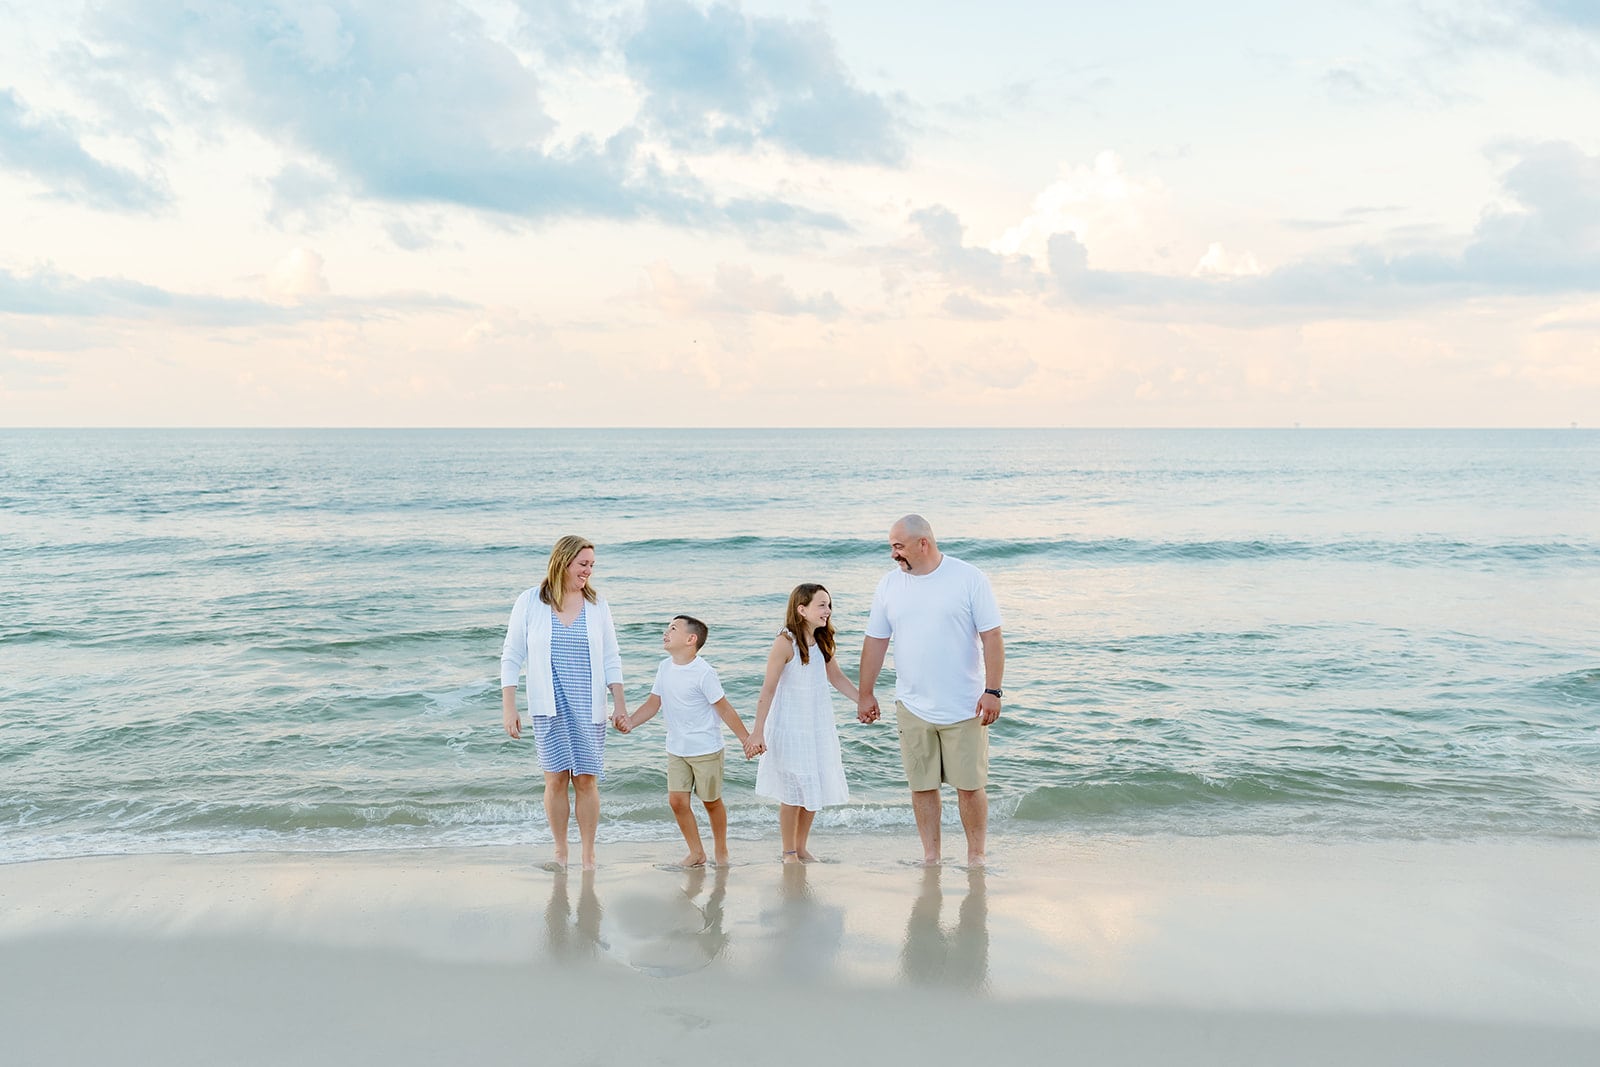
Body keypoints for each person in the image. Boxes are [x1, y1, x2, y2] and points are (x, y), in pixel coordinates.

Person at [857, 515, 1004, 866]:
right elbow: (875, 641)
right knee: (922, 786)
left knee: (970, 787)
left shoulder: (968, 578)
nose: (893, 554)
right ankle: (931, 857)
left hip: (965, 705)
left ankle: (976, 856)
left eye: (899, 546)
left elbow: (992, 637)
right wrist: (865, 693)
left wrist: (993, 691)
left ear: (923, 543)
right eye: (891, 547)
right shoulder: (889, 585)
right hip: (912, 705)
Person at [501, 535, 626, 870]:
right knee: (555, 779)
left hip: (589, 704)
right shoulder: (530, 601)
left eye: (592, 565)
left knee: (585, 780)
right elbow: (512, 655)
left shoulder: (597, 605)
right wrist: (509, 706)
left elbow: (612, 657)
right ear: (563, 562)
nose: (588, 571)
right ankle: (560, 852)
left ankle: (588, 855)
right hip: (549, 704)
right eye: (583, 564)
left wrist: (620, 704)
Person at [614, 615, 755, 867]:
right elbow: (653, 703)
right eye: (667, 627)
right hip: (676, 748)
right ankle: (696, 853)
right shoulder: (664, 667)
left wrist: (746, 739)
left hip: (706, 749)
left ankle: (721, 850)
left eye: (673, 628)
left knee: (711, 802)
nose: (666, 632)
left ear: (691, 639)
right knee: (677, 801)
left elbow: (724, 709)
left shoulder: (704, 672)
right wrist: (631, 722)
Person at [748, 583, 861, 863]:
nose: (828, 610)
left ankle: (801, 847)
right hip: (790, 726)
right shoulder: (784, 642)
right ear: (802, 609)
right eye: (821, 605)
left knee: (814, 786)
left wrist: (863, 701)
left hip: (817, 725)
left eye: (829, 605)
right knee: (792, 791)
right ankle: (788, 851)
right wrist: (757, 732)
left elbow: (836, 678)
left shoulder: (821, 640)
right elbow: (768, 689)